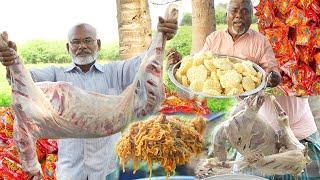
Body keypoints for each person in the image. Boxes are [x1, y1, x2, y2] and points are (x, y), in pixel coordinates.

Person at [0, 17, 177, 180]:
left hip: (106, 169)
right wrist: (12, 62)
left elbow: (144, 64)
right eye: (75, 42)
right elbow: (25, 82)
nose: (81, 46)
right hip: (70, 170)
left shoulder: (114, 72)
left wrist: (161, 37)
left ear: (98, 44)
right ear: (68, 48)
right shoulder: (55, 74)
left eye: (87, 41)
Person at [168, 0, 320, 179]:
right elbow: (199, 71)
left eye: (245, 12)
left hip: (299, 137)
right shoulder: (221, 41)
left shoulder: (300, 38)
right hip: (255, 140)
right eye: (234, 11)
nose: (239, 16)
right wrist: (179, 64)